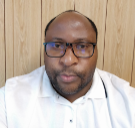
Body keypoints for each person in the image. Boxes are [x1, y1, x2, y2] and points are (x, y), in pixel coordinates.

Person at [0, 10, 135, 128]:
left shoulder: (129, 104)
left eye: (82, 46)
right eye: (57, 45)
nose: (68, 60)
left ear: (96, 51)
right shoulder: (8, 101)